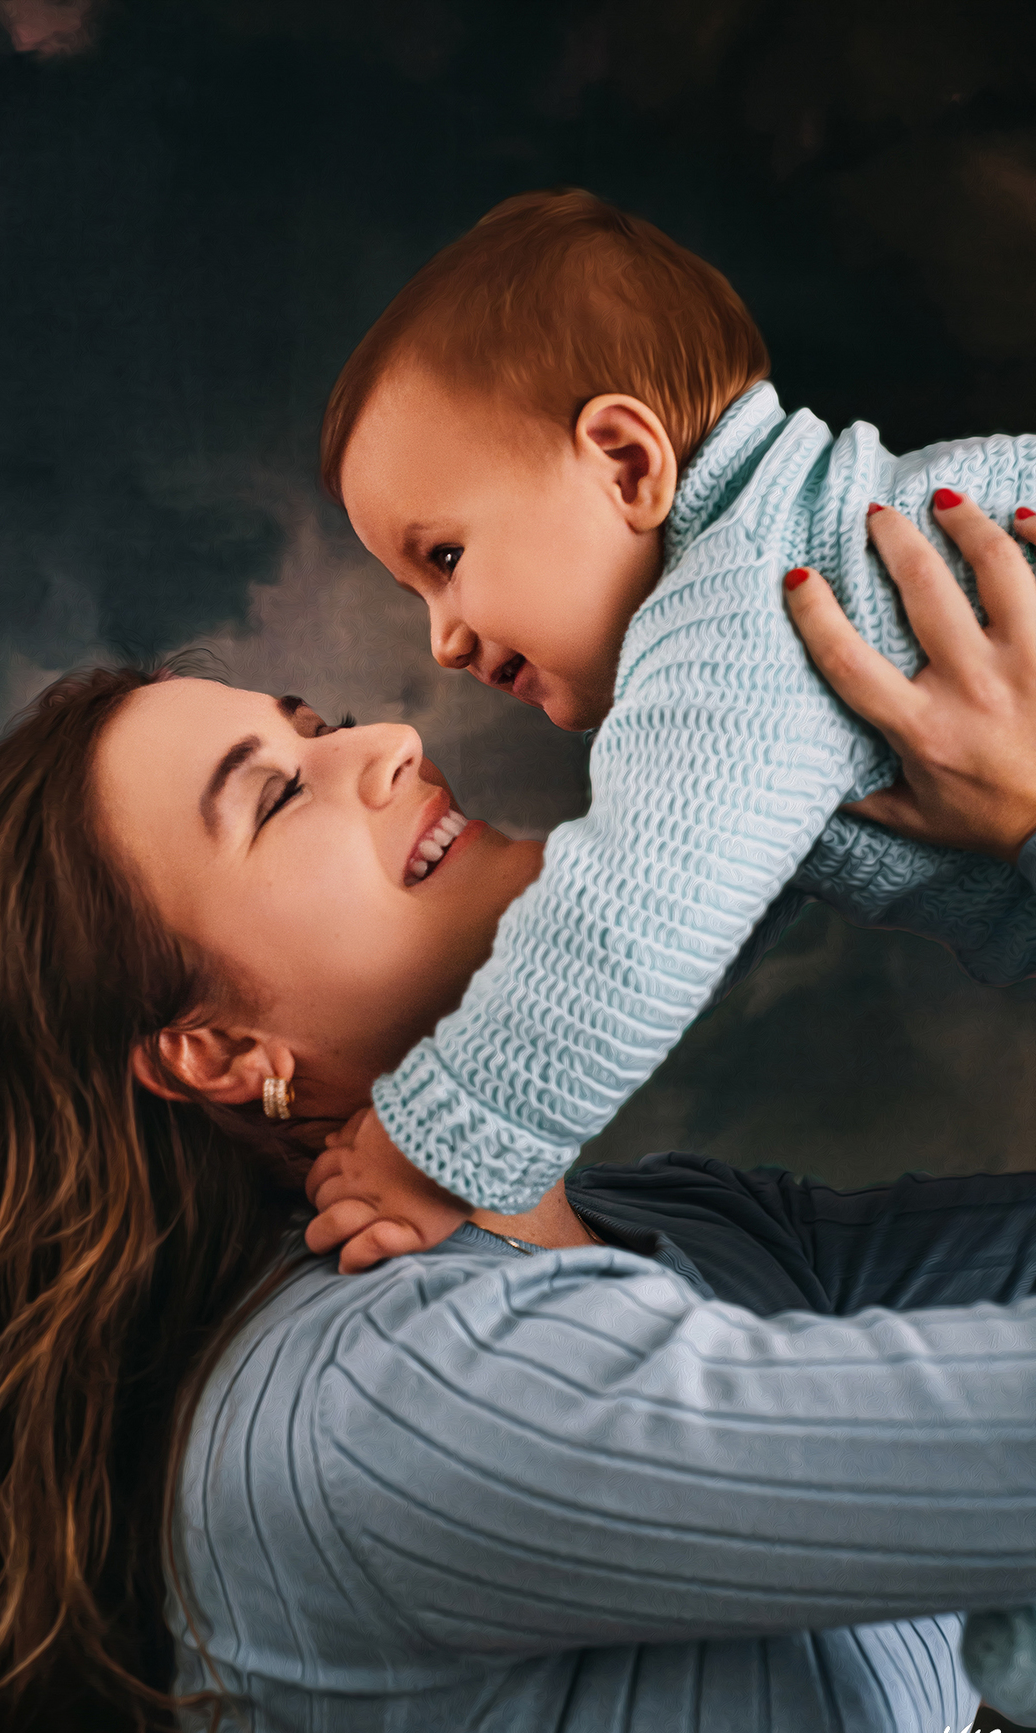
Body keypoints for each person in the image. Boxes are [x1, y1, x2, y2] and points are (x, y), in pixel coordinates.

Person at [0, 508, 1034, 1733]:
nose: (389, 738)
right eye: (279, 790)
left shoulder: (695, 1232)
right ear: (219, 1051)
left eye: (314, 720)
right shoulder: (375, 1402)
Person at [308, 188, 1036, 1257]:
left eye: (447, 559)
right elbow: (702, 925)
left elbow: (631, 922)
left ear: (627, 462)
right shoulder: (779, 565)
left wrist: (438, 1146)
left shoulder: (738, 603)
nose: (443, 643)